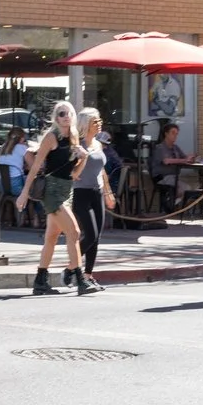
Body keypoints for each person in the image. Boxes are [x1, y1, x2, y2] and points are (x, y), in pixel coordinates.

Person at [17, 100, 99, 296]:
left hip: (66, 189)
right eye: (61, 114)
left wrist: (84, 157)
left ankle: (40, 281)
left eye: (69, 113)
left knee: (52, 238)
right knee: (74, 232)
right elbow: (35, 166)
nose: (65, 116)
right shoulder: (51, 137)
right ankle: (80, 280)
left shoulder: (73, 137)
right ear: (55, 118)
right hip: (52, 191)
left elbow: (75, 174)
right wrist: (24, 193)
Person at [72, 107, 120, 281]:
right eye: (95, 121)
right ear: (86, 124)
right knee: (90, 234)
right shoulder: (77, 145)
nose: (99, 124)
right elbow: (72, 170)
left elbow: (102, 172)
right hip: (80, 192)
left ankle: (87, 274)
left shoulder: (98, 144)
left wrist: (108, 193)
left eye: (100, 120)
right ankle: (71, 268)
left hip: (97, 191)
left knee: (97, 236)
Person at [148, 120, 191, 214]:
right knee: (184, 189)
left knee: (188, 188)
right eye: (173, 133)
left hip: (173, 177)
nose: (175, 136)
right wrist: (183, 160)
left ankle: (172, 206)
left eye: (177, 133)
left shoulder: (175, 148)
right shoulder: (160, 147)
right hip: (161, 177)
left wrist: (191, 157)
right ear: (166, 134)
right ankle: (171, 207)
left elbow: (185, 157)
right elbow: (166, 161)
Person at [0, 126, 31, 202]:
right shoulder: (22, 147)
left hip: (1, 185)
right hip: (16, 185)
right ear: (21, 138)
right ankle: (37, 213)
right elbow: (35, 166)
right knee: (37, 192)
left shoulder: (1, 148)